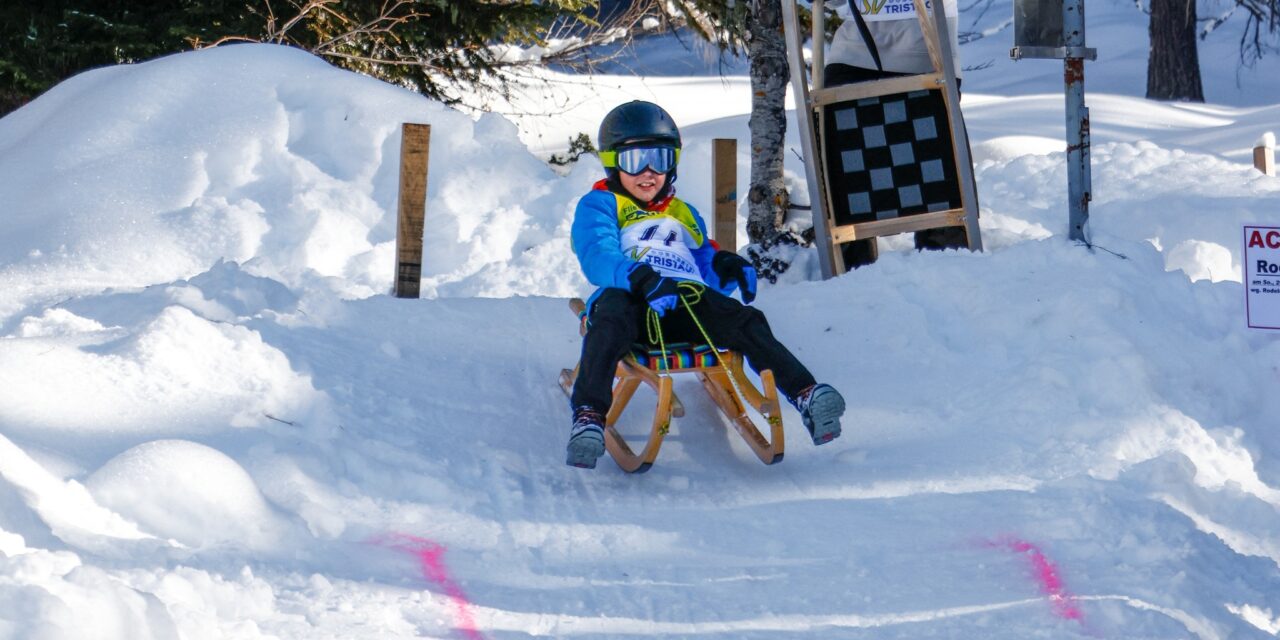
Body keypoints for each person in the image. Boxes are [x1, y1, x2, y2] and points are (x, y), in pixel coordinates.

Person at [565, 100, 846, 469]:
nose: (649, 173)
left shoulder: (683, 213)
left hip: (684, 303)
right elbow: (596, 255)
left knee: (745, 320)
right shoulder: (601, 203)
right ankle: (588, 415)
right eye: (635, 161)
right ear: (613, 163)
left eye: (660, 160)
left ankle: (806, 394)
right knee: (609, 323)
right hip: (630, 300)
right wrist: (639, 277)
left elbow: (703, 263)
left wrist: (724, 265)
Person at [825, 0, 971, 267]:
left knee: (935, 170)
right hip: (854, 51)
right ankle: (853, 273)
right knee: (846, 165)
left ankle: (947, 264)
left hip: (926, 49)